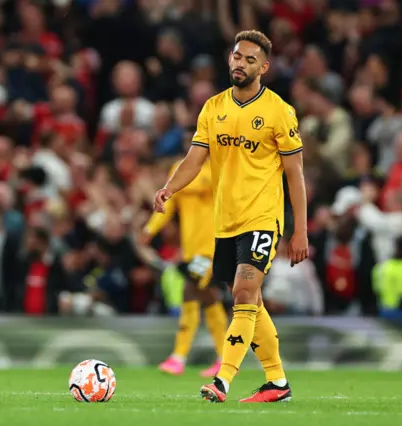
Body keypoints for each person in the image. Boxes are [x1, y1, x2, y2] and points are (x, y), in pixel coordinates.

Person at [153, 30, 308, 403]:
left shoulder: (279, 111)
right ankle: (277, 382)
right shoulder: (213, 107)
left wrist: (299, 230)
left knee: (242, 291)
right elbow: (195, 158)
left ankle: (222, 379)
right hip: (226, 221)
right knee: (250, 302)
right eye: (237, 56)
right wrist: (169, 188)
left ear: (264, 67)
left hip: (262, 217)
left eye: (250, 59)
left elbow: (295, 174)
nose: (240, 63)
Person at [141, 139, 227, 378]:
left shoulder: (220, 168)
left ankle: (179, 356)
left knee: (191, 290)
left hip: (212, 246)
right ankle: (224, 358)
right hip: (191, 249)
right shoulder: (180, 170)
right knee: (208, 298)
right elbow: (168, 204)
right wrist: (150, 229)